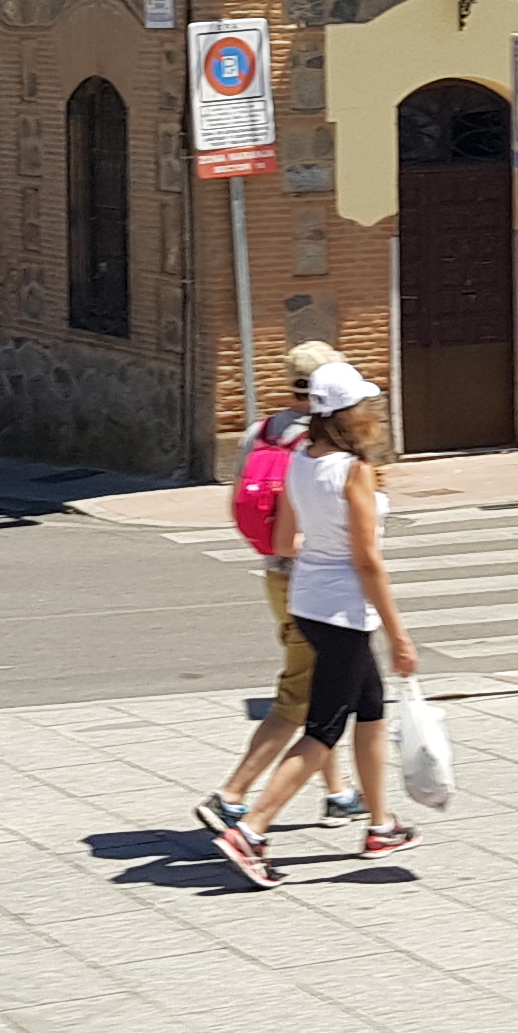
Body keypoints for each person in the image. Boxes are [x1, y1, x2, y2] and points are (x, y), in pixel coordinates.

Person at [200, 358, 416, 886]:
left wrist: (321, 550)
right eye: (366, 404)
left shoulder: (299, 458)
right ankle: (251, 830)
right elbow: (367, 561)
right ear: (351, 413)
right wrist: (398, 634)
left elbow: (283, 541)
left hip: (308, 602)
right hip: (344, 611)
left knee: (371, 709)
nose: (373, 412)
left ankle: (381, 825)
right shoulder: (353, 470)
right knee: (323, 728)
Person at [199, 351, 361, 832]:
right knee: (297, 694)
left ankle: (338, 793)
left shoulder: (262, 431)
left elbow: (238, 504)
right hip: (315, 582)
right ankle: (231, 794)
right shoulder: (323, 440)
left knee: (319, 687)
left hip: (275, 573)